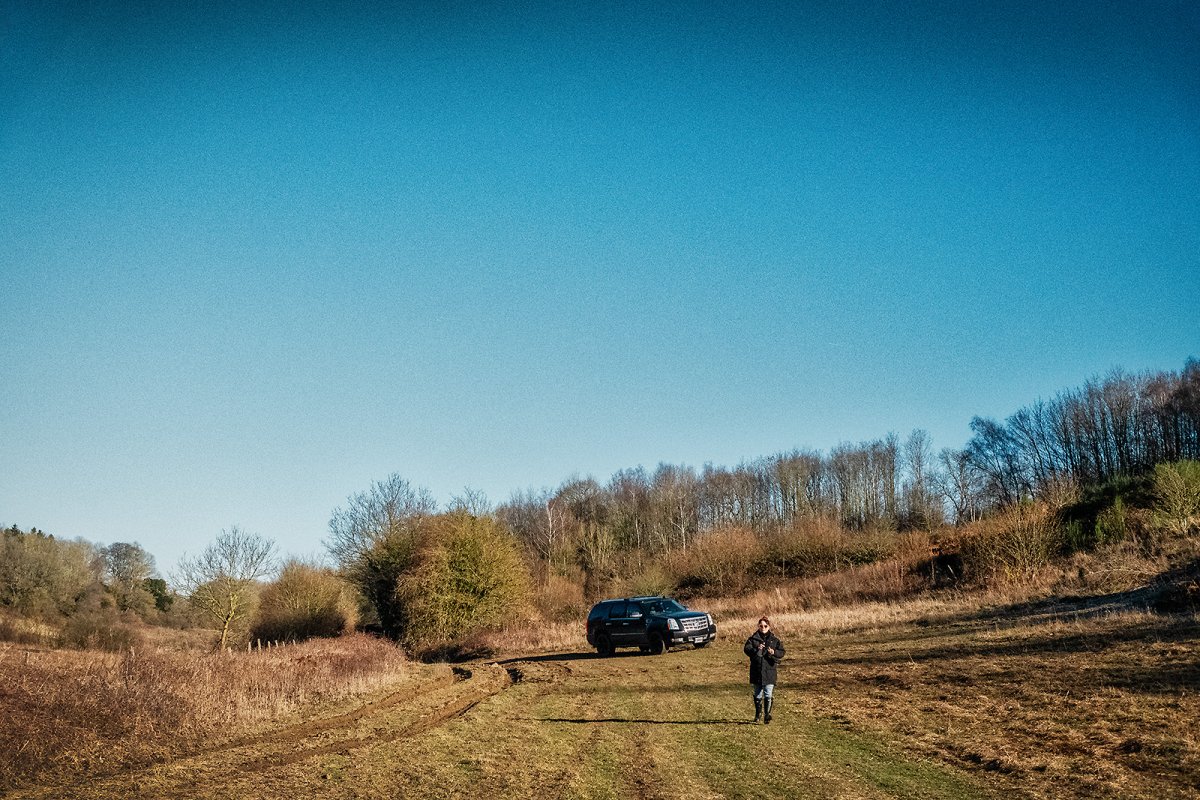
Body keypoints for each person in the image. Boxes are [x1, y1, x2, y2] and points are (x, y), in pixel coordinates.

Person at [743, 616, 784, 724]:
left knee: (768, 694)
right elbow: (746, 649)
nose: (763, 628)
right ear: (758, 626)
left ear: (769, 626)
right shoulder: (753, 639)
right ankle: (758, 715)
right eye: (761, 626)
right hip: (756, 670)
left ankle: (767, 715)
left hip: (770, 670)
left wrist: (773, 652)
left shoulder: (774, 640)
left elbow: (782, 652)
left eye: (765, 626)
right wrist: (757, 649)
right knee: (757, 694)